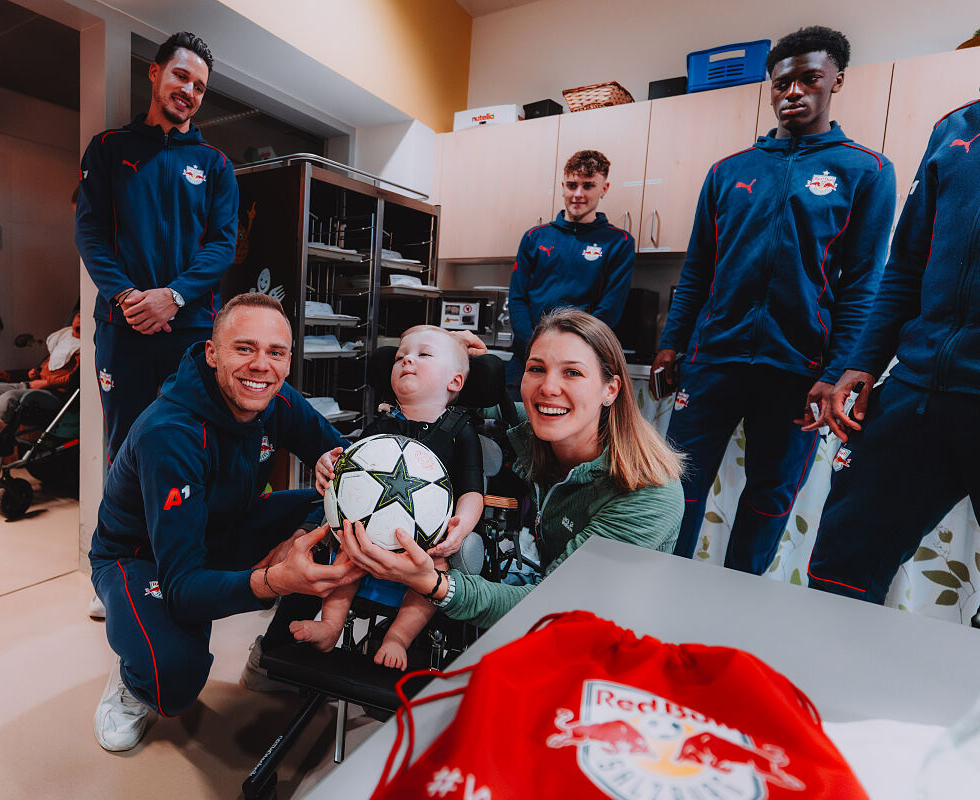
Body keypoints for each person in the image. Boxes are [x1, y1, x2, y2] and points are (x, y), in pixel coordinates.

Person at [650, 26, 896, 574]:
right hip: (713, 359)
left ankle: (736, 606)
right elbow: (697, 272)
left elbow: (864, 284)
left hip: (800, 370)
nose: (794, 92)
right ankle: (661, 594)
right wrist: (672, 344)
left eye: (809, 79)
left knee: (769, 497)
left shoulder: (867, 171)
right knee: (675, 488)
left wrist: (835, 373)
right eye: (782, 82)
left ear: (836, 80)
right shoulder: (727, 172)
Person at [88, 293, 361, 752]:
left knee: (350, 512)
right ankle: (131, 672)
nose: (261, 365)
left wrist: (324, 478)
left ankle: (272, 657)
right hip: (145, 556)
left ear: (289, 361)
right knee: (173, 678)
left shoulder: (276, 398)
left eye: (276, 352)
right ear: (212, 353)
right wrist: (274, 581)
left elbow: (350, 463)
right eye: (244, 348)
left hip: (227, 525)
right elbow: (183, 587)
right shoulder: (169, 433)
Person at [338, 309, 684, 629]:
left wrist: (432, 583)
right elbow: (444, 410)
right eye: (536, 369)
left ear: (610, 389)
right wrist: (443, 359)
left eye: (573, 372)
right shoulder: (542, 425)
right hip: (552, 608)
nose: (548, 388)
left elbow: (553, 605)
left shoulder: (648, 492)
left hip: (611, 638)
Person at [806, 96, 980, 604]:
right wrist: (863, 362)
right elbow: (904, 265)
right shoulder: (955, 127)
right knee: (840, 572)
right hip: (917, 388)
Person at [76, 30, 239, 461]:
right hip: (121, 325)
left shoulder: (216, 165)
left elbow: (222, 246)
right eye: (180, 76)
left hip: (192, 330)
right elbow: (90, 234)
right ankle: (126, 532)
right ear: (155, 73)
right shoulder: (108, 149)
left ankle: (188, 531)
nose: (189, 91)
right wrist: (128, 296)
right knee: (126, 446)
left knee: (193, 443)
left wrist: (174, 296)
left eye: (199, 86)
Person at [292, 326, 485, 669]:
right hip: (367, 534)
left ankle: (398, 636)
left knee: (436, 574)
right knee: (344, 551)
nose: (407, 358)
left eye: (423, 355)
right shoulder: (381, 425)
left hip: (425, 543)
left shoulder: (461, 431)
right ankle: (331, 624)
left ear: (454, 382)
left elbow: (472, 491)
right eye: (400, 357)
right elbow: (348, 469)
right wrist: (328, 464)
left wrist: (460, 528)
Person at [507, 149, 635, 389]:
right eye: (572, 185)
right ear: (562, 185)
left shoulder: (619, 242)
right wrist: (534, 346)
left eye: (588, 186)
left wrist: (568, 349)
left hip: (579, 363)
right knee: (517, 424)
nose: (578, 194)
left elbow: (610, 309)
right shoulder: (535, 237)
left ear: (604, 188)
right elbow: (517, 298)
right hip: (526, 358)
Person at [0, 313, 81, 439]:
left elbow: (74, 378)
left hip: (56, 393)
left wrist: (47, 383)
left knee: (9, 398)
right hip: (35, 384)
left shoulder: (84, 349)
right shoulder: (64, 339)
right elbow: (51, 365)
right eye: (79, 316)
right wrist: (37, 373)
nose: (81, 322)